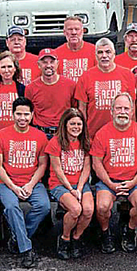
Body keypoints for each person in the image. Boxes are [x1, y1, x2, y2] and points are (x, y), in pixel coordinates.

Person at [91, 93, 137, 254]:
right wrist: (110, 184)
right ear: (111, 111)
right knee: (102, 206)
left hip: (134, 180)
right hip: (109, 180)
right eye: (118, 108)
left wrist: (134, 182)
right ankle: (105, 232)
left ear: (132, 111)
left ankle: (130, 229)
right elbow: (96, 163)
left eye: (126, 108)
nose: (122, 112)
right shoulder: (102, 133)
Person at [0, 97, 50, 268]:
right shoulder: (0, 135)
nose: (22, 118)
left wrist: (30, 185)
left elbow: (42, 164)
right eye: (18, 114)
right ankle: (26, 249)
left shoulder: (39, 136)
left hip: (32, 180)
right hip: (7, 182)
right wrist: (14, 187)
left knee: (44, 206)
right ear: (13, 114)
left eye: (26, 114)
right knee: (11, 207)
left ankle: (18, 236)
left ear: (32, 115)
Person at [46, 109, 94, 260]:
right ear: (65, 124)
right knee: (75, 209)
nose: (76, 127)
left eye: (79, 124)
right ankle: (65, 238)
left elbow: (86, 167)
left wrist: (79, 188)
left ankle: (77, 237)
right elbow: (57, 169)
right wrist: (70, 189)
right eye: (72, 123)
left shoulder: (85, 142)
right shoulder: (55, 142)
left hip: (80, 183)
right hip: (60, 184)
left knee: (87, 210)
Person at [74, 38, 136, 137]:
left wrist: (133, 130)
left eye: (108, 52)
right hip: (93, 133)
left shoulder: (127, 74)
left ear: (114, 53)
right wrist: (83, 134)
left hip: (121, 132)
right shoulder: (85, 77)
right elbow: (82, 108)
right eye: (100, 52)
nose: (104, 56)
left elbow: (132, 105)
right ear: (95, 55)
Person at [25, 48, 76, 139]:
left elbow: (74, 110)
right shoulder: (31, 88)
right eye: (44, 62)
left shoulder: (70, 85)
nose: (48, 65)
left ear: (57, 63)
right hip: (40, 133)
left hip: (63, 133)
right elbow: (28, 113)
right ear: (39, 65)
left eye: (52, 62)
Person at [55, 16, 97, 82]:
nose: (74, 32)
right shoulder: (57, 53)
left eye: (77, 29)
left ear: (83, 31)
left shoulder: (94, 51)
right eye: (70, 29)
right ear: (64, 32)